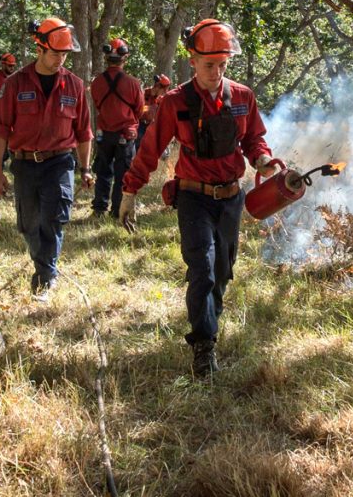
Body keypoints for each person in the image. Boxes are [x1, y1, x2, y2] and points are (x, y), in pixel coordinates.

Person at [119, 19, 279, 377]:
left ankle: (210, 326)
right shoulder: (176, 102)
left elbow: (254, 140)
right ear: (192, 60)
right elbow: (149, 149)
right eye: (209, 65)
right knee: (202, 269)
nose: (216, 72)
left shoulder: (242, 97)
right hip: (193, 197)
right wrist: (130, 191)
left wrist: (264, 161)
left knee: (222, 271)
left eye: (222, 65)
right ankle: (204, 346)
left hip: (231, 198)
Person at [0, 17, 95, 302]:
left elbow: (84, 132)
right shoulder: (15, 84)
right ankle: (43, 265)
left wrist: (85, 168)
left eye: (64, 54)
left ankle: (46, 276)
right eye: (55, 53)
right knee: (29, 224)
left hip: (59, 162)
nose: (60, 58)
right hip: (24, 163)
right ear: (40, 48)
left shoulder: (74, 85)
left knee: (53, 219)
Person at [89, 37, 144, 218]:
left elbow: (97, 104)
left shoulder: (97, 83)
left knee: (103, 171)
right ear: (124, 58)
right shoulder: (133, 83)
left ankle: (99, 208)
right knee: (123, 175)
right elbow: (139, 109)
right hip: (125, 135)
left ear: (106, 58)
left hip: (104, 134)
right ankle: (117, 211)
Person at [137, 73, 171, 147]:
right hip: (140, 125)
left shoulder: (160, 99)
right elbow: (138, 109)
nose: (165, 92)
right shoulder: (143, 94)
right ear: (158, 86)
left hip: (151, 126)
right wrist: (149, 108)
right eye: (164, 90)